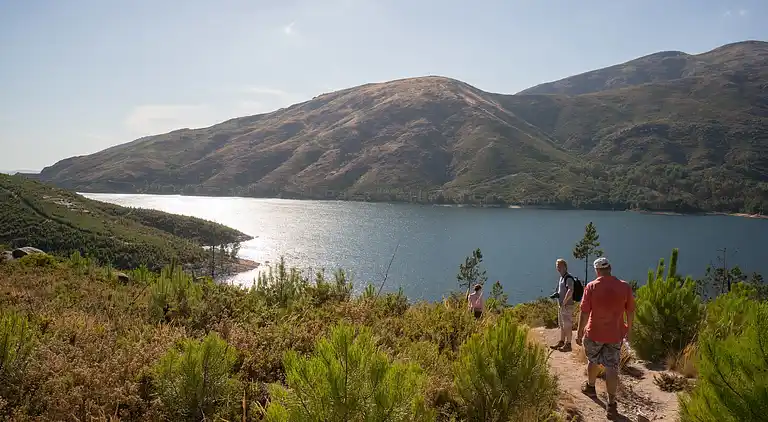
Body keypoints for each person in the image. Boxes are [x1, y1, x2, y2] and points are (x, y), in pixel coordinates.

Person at [575, 257, 635, 419]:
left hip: (594, 332)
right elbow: (630, 311)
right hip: (615, 334)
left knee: (592, 360)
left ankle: (591, 387)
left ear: (597, 271)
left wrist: (580, 331)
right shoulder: (624, 287)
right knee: (612, 367)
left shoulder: (592, 287)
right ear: (610, 268)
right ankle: (611, 404)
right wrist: (629, 329)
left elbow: (585, 311)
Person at [550, 259, 575, 352]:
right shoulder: (562, 278)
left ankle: (568, 344)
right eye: (557, 266)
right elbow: (561, 290)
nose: (558, 268)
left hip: (567, 305)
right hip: (561, 305)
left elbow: (570, 290)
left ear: (565, 266)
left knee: (567, 325)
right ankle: (561, 341)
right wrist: (556, 294)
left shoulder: (568, 278)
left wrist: (564, 301)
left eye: (559, 266)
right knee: (562, 324)